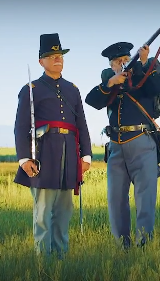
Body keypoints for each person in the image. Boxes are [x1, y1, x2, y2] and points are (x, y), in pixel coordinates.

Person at [14, 33, 92, 256]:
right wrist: (24, 159)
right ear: (41, 61)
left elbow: (82, 124)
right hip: (43, 154)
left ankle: (61, 259)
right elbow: (20, 127)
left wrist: (85, 156)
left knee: (64, 211)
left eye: (60, 55)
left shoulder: (72, 89)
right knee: (44, 212)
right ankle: (43, 261)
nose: (58, 59)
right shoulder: (32, 89)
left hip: (69, 154)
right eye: (52, 56)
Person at [85, 42, 160, 249]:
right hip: (115, 146)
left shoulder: (142, 77)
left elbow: (157, 88)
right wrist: (111, 83)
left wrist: (145, 62)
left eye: (125, 60)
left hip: (141, 140)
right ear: (111, 66)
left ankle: (144, 244)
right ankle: (123, 245)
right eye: (117, 62)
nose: (122, 64)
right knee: (116, 199)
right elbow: (92, 100)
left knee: (145, 197)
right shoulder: (109, 84)